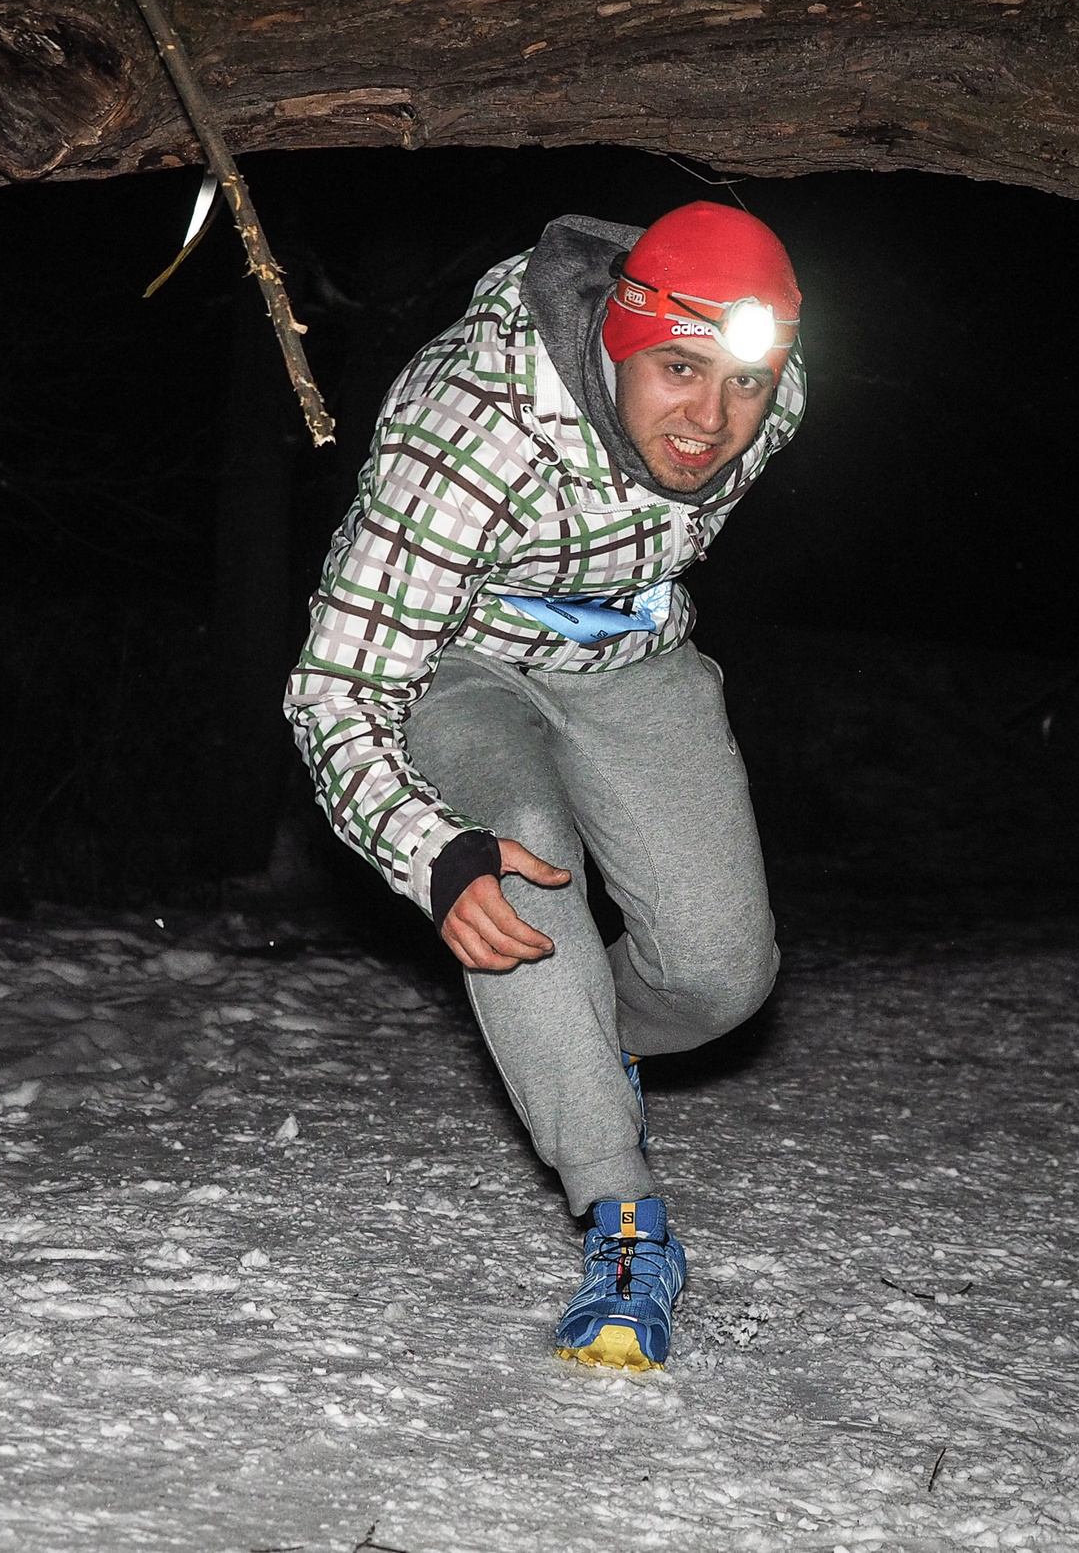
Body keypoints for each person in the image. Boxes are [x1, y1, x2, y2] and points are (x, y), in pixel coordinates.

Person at [284, 202, 806, 1370]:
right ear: (621, 340)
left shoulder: (776, 397)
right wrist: (429, 848)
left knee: (723, 974)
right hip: (455, 661)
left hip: (628, 656)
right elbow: (333, 686)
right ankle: (624, 1223)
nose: (710, 424)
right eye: (680, 372)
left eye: (742, 387)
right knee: (512, 849)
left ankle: (574, 1040)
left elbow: (721, 439)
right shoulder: (466, 437)